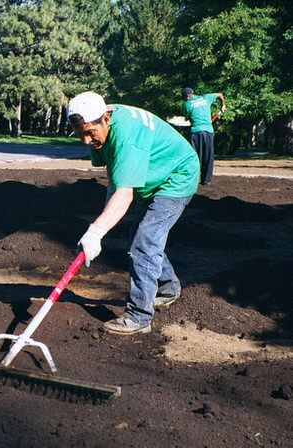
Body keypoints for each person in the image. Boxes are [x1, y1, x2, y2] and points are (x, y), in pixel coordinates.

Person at [67, 91, 199, 335]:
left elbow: (125, 193)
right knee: (141, 236)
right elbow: (115, 176)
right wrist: (108, 215)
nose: (85, 141)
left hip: (177, 177)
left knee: (144, 241)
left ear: (106, 118)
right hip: (153, 175)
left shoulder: (126, 136)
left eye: (89, 133)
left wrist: (96, 231)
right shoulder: (99, 128)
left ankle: (139, 317)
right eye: (79, 134)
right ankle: (168, 287)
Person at [182, 87, 226, 185]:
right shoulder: (206, 97)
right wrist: (223, 105)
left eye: (184, 98)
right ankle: (206, 181)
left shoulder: (187, 104)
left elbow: (188, 118)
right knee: (208, 156)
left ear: (187, 96)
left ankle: (193, 180)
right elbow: (220, 94)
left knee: (195, 157)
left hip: (196, 131)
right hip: (208, 131)